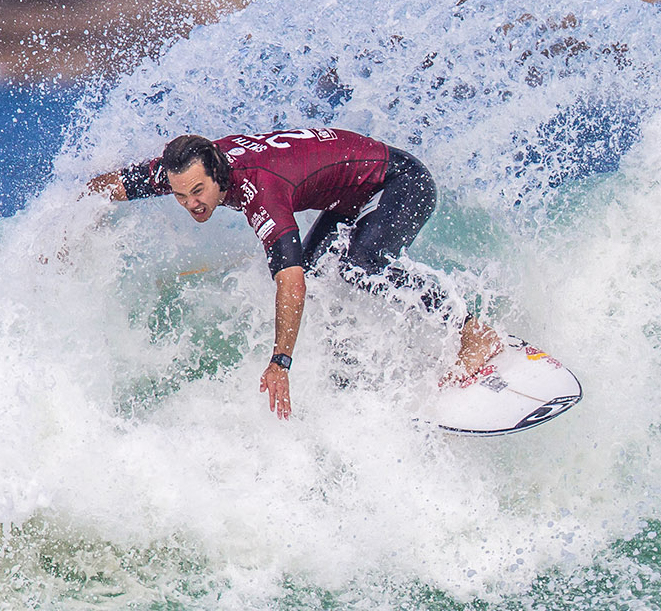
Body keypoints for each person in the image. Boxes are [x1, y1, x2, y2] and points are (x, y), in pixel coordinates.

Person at [87, 127, 500, 419]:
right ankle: (364, 356)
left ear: (217, 174)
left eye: (198, 192)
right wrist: (74, 220)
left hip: (400, 183)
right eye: (180, 195)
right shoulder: (188, 168)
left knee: (360, 265)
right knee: (320, 277)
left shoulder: (260, 191)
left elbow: (290, 282)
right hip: (352, 196)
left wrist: (280, 362)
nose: (191, 204)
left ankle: (472, 330)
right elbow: (111, 185)